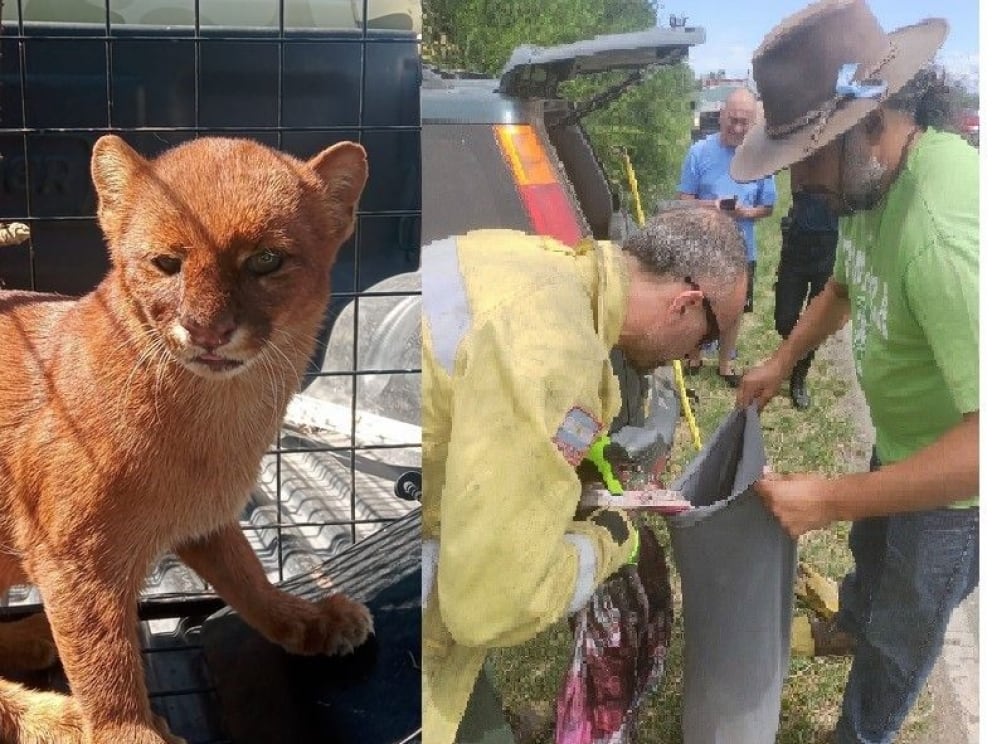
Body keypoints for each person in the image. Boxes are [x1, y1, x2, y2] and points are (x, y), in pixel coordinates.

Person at [731, 2, 978, 743]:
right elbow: (843, 287)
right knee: (871, 567)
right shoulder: (868, 183)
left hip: (953, 491)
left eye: (811, 153)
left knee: (902, 636)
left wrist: (831, 498)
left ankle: (860, 733)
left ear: (872, 120)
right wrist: (780, 359)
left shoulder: (944, 236)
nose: (800, 181)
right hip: (900, 437)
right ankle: (848, 622)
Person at [421, 207, 748, 744]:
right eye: (704, 340)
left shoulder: (530, 260)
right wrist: (608, 543)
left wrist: (584, 456)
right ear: (685, 305)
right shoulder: (551, 354)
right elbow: (487, 607)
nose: (692, 358)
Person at [678, 87, 777, 387]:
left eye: (744, 122)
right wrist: (714, 206)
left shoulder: (760, 159)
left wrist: (746, 213)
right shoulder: (699, 152)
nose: (737, 127)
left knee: (734, 308)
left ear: (753, 124)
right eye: (732, 119)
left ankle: (724, 364)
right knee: (697, 303)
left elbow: (768, 207)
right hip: (702, 247)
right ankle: (694, 357)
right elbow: (683, 199)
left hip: (741, 249)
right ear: (721, 116)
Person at [774, 188, 838, 409]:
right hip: (797, 246)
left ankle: (798, 378)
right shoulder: (803, 157)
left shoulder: (842, 161)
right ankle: (792, 356)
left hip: (829, 249)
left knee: (815, 320)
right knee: (784, 319)